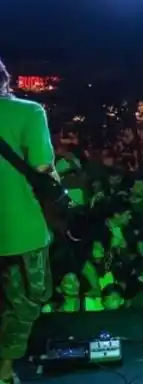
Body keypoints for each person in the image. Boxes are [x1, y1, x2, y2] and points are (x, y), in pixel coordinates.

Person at [0, 57, 58, 383]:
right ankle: (4, 372)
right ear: (6, 80)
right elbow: (42, 168)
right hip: (21, 231)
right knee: (22, 304)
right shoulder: (29, 111)